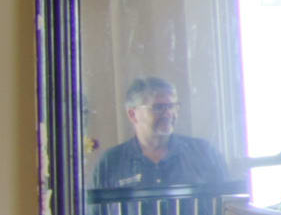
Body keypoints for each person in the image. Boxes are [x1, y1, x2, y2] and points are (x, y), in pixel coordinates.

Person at [93, 75, 234, 196]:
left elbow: (229, 210)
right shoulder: (110, 164)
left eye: (172, 106)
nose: (168, 114)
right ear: (132, 114)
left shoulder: (204, 154)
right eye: (159, 107)